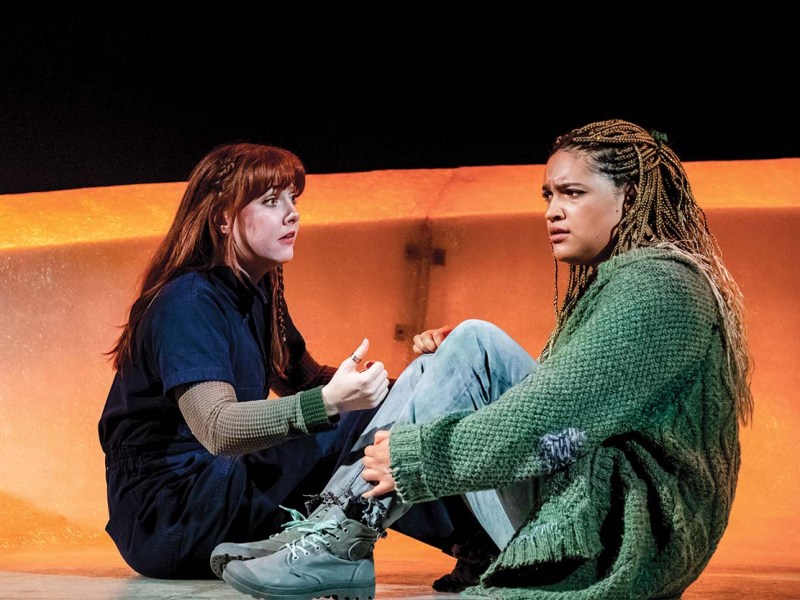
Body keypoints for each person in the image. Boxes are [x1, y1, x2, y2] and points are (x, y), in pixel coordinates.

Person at [219, 120, 754, 600]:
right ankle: (330, 532)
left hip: (625, 540)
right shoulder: (629, 281)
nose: (552, 211)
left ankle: (339, 535)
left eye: (572, 193)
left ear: (630, 198)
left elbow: (553, 420)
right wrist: (454, 366)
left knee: (474, 341)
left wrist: (416, 456)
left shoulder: (659, 285)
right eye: (548, 194)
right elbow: (567, 413)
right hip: (606, 515)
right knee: (454, 351)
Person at [97, 142, 484, 579]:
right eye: (270, 201)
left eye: (292, 199)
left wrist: (419, 386)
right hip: (170, 518)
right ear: (223, 218)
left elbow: (306, 380)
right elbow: (219, 429)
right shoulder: (189, 301)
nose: (292, 213)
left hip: (217, 494)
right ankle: (476, 543)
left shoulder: (258, 291)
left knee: (384, 417)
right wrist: (333, 404)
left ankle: (477, 543)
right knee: (356, 424)